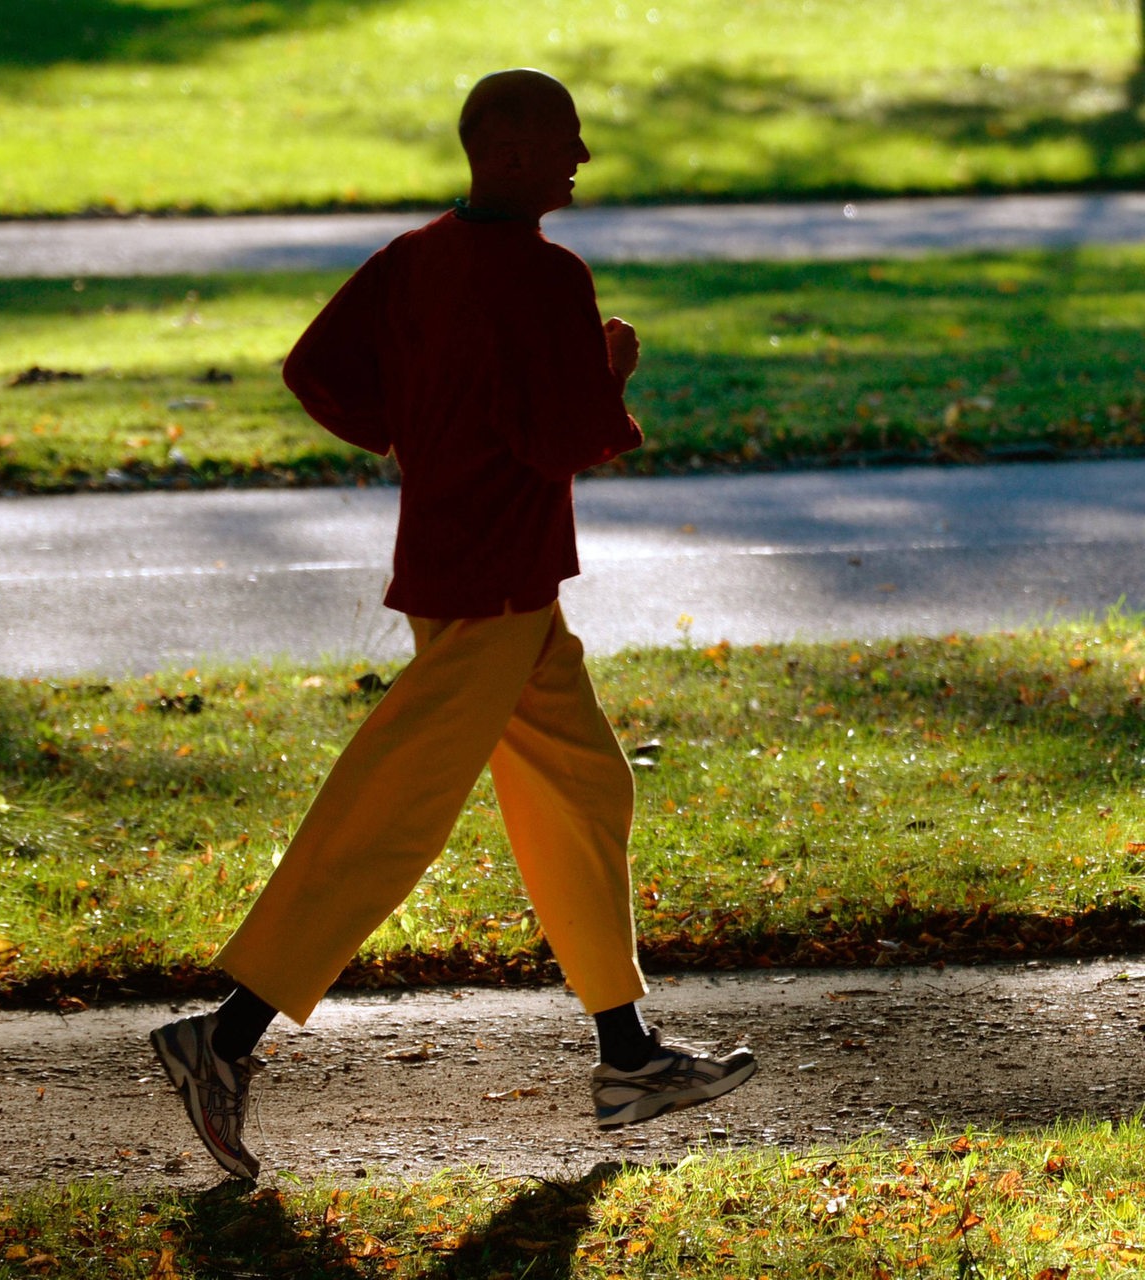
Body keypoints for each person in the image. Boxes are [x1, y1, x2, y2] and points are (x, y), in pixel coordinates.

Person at [151, 68, 757, 1180]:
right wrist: (613, 372)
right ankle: (220, 1037)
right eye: (566, 141)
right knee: (396, 805)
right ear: (515, 152)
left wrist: (411, 436)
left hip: (481, 567)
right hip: (492, 581)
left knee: (585, 789)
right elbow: (559, 436)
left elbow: (312, 369)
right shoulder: (542, 277)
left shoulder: (415, 257)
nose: (579, 159)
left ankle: (626, 1053)